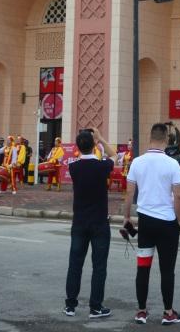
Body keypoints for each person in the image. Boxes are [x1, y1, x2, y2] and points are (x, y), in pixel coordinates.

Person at [125, 122, 180, 326]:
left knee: (143, 268)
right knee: (167, 269)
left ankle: (141, 311)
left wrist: (126, 217)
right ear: (166, 139)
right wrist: (178, 220)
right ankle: (168, 313)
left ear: (150, 137)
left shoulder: (137, 162)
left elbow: (129, 193)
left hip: (145, 222)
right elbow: (178, 196)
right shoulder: (172, 163)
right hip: (167, 223)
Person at [64, 128, 114, 319]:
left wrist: (94, 141)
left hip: (79, 222)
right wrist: (101, 138)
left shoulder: (73, 168)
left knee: (75, 264)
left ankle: (70, 306)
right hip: (99, 222)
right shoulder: (102, 166)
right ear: (94, 145)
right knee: (99, 266)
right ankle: (95, 307)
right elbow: (114, 155)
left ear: (77, 147)